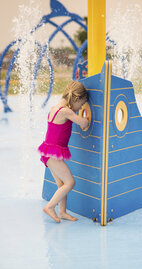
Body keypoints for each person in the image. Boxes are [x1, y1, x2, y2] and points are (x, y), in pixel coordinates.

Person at [37, 80, 89, 223]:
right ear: (76, 99)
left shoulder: (55, 108)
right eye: (81, 105)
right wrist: (86, 118)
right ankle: (50, 207)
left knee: (61, 185)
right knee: (70, 183)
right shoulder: (66, 111)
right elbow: (84, 123)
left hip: (48, 152)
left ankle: (62, 212)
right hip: (53, 155)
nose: (79, 108)